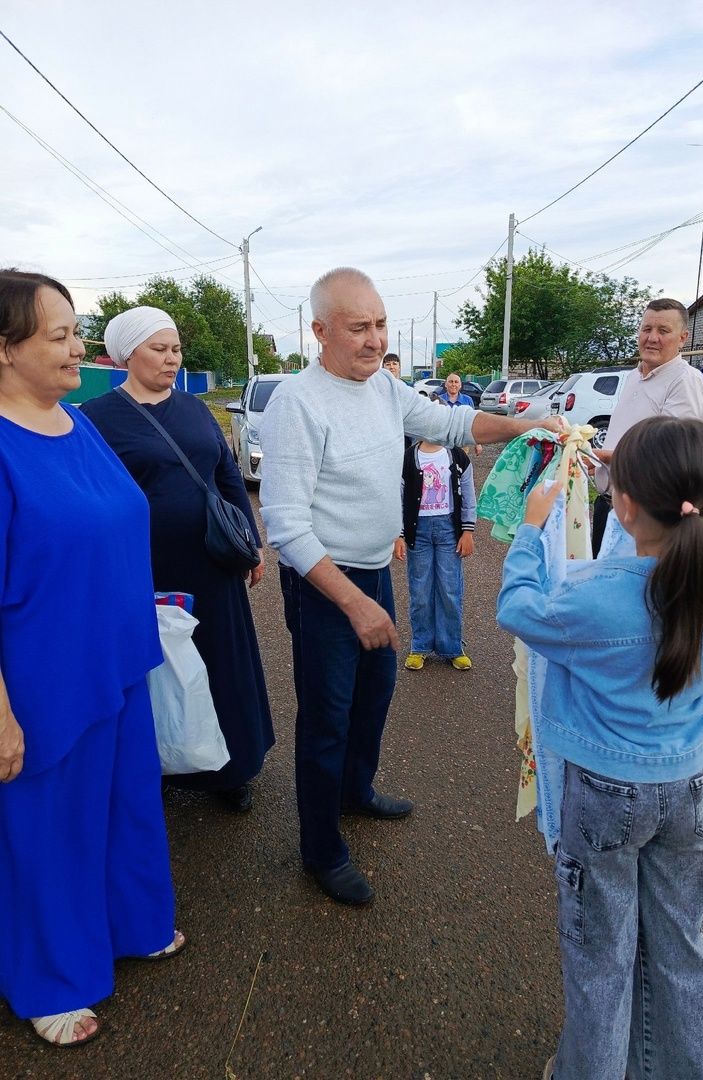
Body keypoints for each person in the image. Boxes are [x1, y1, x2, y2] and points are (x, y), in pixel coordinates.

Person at [259, 267, 565, 906]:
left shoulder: (386, 389)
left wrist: (524, 425)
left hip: (372, 570)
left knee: (374, 696)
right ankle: (320, 850)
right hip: (326, 585)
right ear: (319, 331)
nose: (374, 341)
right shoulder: (297, 403)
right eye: (358, 328)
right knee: (325, 719)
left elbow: (455, 425)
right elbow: (285, 527)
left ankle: (355, 792)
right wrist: (354, 602)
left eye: (379, 325)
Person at [497, 416, 703, 1080]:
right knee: (680, 948)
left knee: (600, 957)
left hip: (604, 803)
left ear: (625, 506)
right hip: (686, 797)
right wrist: (644, 477)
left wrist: (530, 530)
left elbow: (519, 611)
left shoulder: (592, 598)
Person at [0, 270, 183, 1047]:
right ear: (4, 352)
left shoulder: (79, 424)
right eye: (59, 336)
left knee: (126, 802)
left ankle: (133, 924)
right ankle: (50, 980)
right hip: (43, 679)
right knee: (50, 830)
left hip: (116, 659)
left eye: (77, 330)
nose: (80, 348)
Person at [82, 307, 273, 813]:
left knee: (219, 665)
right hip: (146, 570)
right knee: (157, 671)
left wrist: (251, 541)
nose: (171, 360)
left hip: (213, 563)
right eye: (158, 350)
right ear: (126, 355)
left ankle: (229, 770)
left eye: (176, 350)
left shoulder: (192, 408)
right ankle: (161, 764)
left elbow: (227, 475)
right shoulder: (96, 418)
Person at [592, 298, 703, 555]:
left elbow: (666, 453)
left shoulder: (685, 380)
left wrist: (603, 457)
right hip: (610, 505)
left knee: (631, 591)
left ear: (682, 338)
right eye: (646, 329)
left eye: (663, 331)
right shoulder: (633, 376)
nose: (652, 338)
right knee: (601, 587)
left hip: (647, 515)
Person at [394, 438, 475, 670]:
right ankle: (420, 645)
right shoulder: (408, 458)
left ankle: (452, 646)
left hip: (449, 530)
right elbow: (397, 499)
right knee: (420, 590)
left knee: (450, 589)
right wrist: (398, 534)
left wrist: (467, 530)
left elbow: (468, 494)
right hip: (417, 531)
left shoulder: (457, 456)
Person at [436, 372, 482, 455]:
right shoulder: (439, 400)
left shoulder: (467, 400)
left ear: (460, 385)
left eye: (456, 382)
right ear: (446, 385)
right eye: (451, 381)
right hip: (442, 443)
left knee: (461, 466)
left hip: (461, 443)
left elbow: (473, 422)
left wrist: (477, 444)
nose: (453, 384)